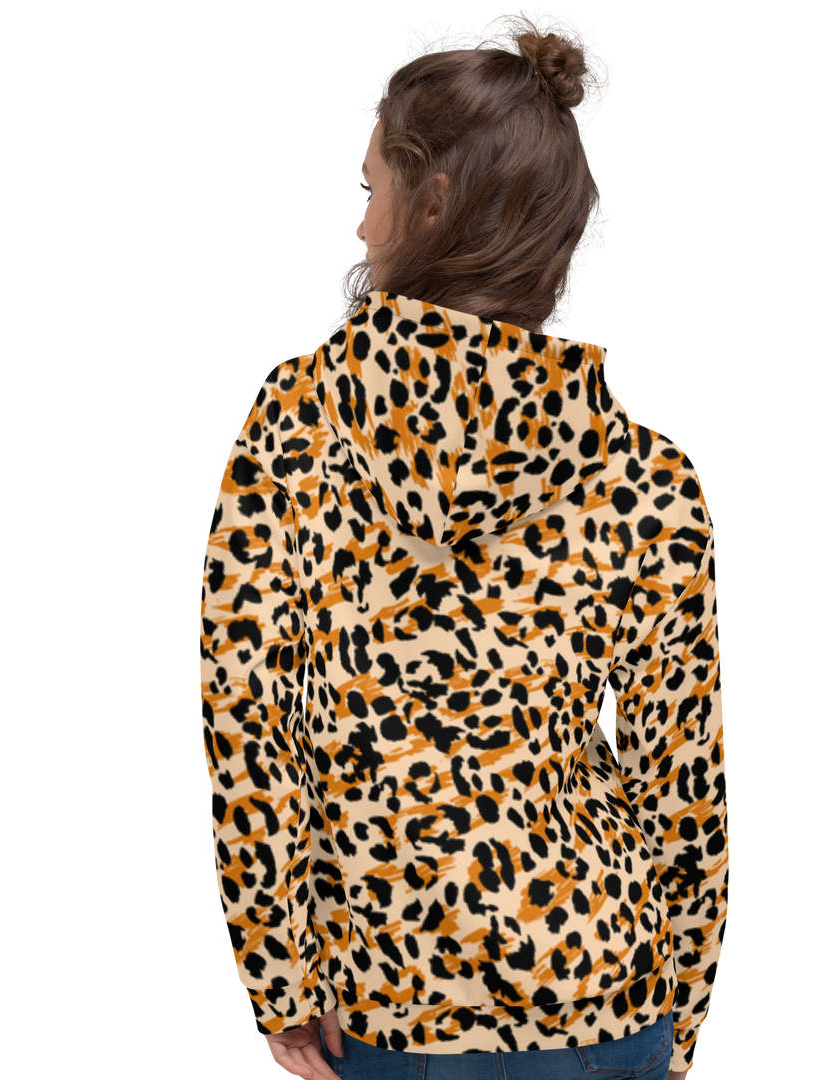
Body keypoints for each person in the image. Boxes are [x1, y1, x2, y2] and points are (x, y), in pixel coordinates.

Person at [200, 14, 725, 1080]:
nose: (360, 225)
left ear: (431, 201)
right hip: (607, 998)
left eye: (369, 189)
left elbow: (248, 721)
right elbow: (682, 778)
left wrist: (280, 976)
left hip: (390, 1005)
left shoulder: (294, 429)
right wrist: (688, 1006)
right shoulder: (651, 471)